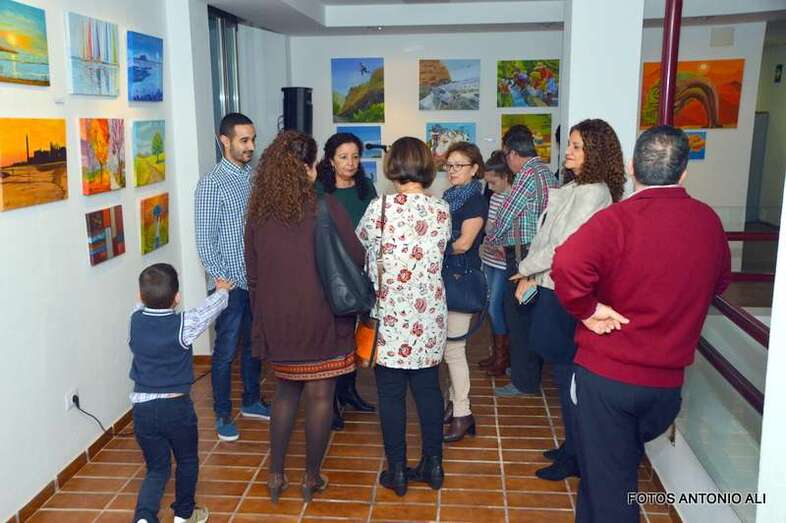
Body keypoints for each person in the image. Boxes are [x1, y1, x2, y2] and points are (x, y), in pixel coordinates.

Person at [551, 126, 732, 522]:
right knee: (603, 478)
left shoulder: (616, 220)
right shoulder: (708, 221)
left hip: (608, 381)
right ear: (683, 172)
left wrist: (587, 311)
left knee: (611, 489)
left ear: (633, 167)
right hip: (665, 385)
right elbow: (719, 283)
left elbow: (565, 264)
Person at [245, 130, 364, 502]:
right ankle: (311, 478)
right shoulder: (325, 206)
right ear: (310, 168)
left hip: (278, 318)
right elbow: (356, 257)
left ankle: (275, 475)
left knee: (285, 393)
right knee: (320, 396)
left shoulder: (259, 215)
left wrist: (263, 318)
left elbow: (253, 274)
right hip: (321, 316)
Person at [509, 119, 626, 481]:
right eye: (570, 145)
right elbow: (548, 235)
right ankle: (571, 446)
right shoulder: (578, 187)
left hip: (565, 290)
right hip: (552, 285)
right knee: (562, 374)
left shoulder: (593, 192)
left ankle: (575, 454)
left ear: (595, 152)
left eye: (577, 146)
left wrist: (525, 269)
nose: (568, 152)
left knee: (569, 378)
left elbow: (564, 245)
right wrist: (531, 272)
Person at [356, 137, 451, 497]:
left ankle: (397, 470)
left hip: (391, 314)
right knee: (429, 391)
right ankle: (434, 465)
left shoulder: (379, 208)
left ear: (392, 166)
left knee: (391, 395)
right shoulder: (441, 209)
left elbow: (361, 245)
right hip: (428, 314)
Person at [129, 263, 233, 523]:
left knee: (157, 468)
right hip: (176, 409)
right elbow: (207, 311)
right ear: (177, 297)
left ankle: (144, 517)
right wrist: (222, 291)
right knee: (187, 461)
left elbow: (142, 305)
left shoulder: (134, 320)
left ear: (140, 296)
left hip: (142, 409)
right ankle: (183, 516)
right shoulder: (183, 325)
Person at [194, 112, 269, 442]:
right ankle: (223, 413)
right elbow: (204, 240)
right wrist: (222, 280)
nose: (251, 146)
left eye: (253, 139)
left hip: (255, 280)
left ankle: (252, 401)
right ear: (224, 141)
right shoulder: (211, 184)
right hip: (231, 285)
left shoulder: (252, 177)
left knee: (254, 346)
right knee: (225, 352)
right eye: (244, 140)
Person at [485, 125, 558, 396]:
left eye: (507, 156)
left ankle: (524, 381)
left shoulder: (527, 174)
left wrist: (490, 240)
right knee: (530, 315)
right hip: (539, 254)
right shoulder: (546, 172)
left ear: (513, 154)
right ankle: (526, 371)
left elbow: (507, 213)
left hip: (522, 256)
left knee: (518, 317)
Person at [315, 132, 378, 431]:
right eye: (343, 157)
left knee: (356, 334)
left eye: (355, 156)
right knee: (334, 337)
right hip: (331, 273)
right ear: (330, 160)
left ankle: (349, 391)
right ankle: (331, 402)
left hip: (361, 271)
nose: (351, 163)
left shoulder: (367, 188)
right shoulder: (318, 191)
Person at [440, 142, 487, 443]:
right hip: (446, 277)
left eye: (460, 165)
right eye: (449, 165)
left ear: (474, 169)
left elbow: (464, 244)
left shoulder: (474, 201)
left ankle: (463, 413)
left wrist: (431, 248)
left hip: (461, 277)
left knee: (454, 350)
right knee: (448, 349)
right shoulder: (449, 197)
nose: (453, 170)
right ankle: (453, 404)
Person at [477, 151, 514, 372]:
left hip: (502, 263)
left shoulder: (513, 198)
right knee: (491, 306)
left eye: (493, 182)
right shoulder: (495, 197)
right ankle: (497, 354)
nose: (489, 187)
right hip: (490, 258)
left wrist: (500, 241)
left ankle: (503, 357)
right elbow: (490, 227)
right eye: (488, 183)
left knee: (495, 307)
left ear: (505, 177)